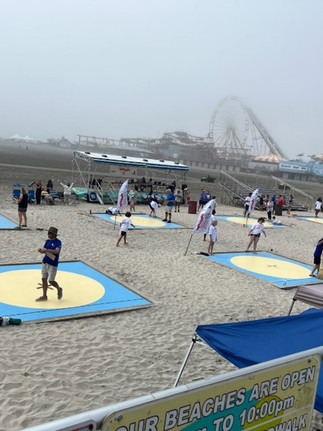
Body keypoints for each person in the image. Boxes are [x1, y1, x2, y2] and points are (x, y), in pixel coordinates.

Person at [36, 226, 63, 301]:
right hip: (45, 262)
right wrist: (41, 250)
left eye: (50, 233)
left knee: (51, 281)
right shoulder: (47, 241)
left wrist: (47, 249)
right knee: (43, 279)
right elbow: (44, 251)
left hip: (52, 264)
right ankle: (44, 296)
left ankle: (59, 288)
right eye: (48, 233)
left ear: (54, 234)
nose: (48, 234)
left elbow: (57, 251)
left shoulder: (58, 242)